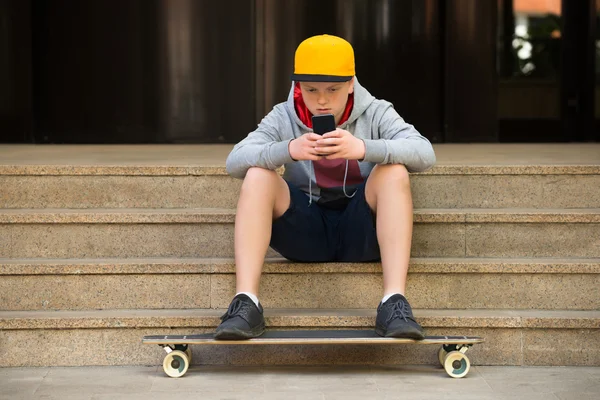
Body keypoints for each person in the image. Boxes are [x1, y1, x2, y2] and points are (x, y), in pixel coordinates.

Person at [216, 34, 436, 340]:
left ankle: (394, 303)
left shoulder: (376, 111)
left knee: (394, 171)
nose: (321, 99)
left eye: (333, 89)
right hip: (306, 229)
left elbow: (425, 153)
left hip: (363, 229)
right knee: (257, 175)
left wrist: (362, 148)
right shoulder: (283, 115)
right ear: (297, 87)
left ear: (351, 84)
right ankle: (246, 304)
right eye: (311, 90)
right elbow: (234, 161)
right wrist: (289, 149)